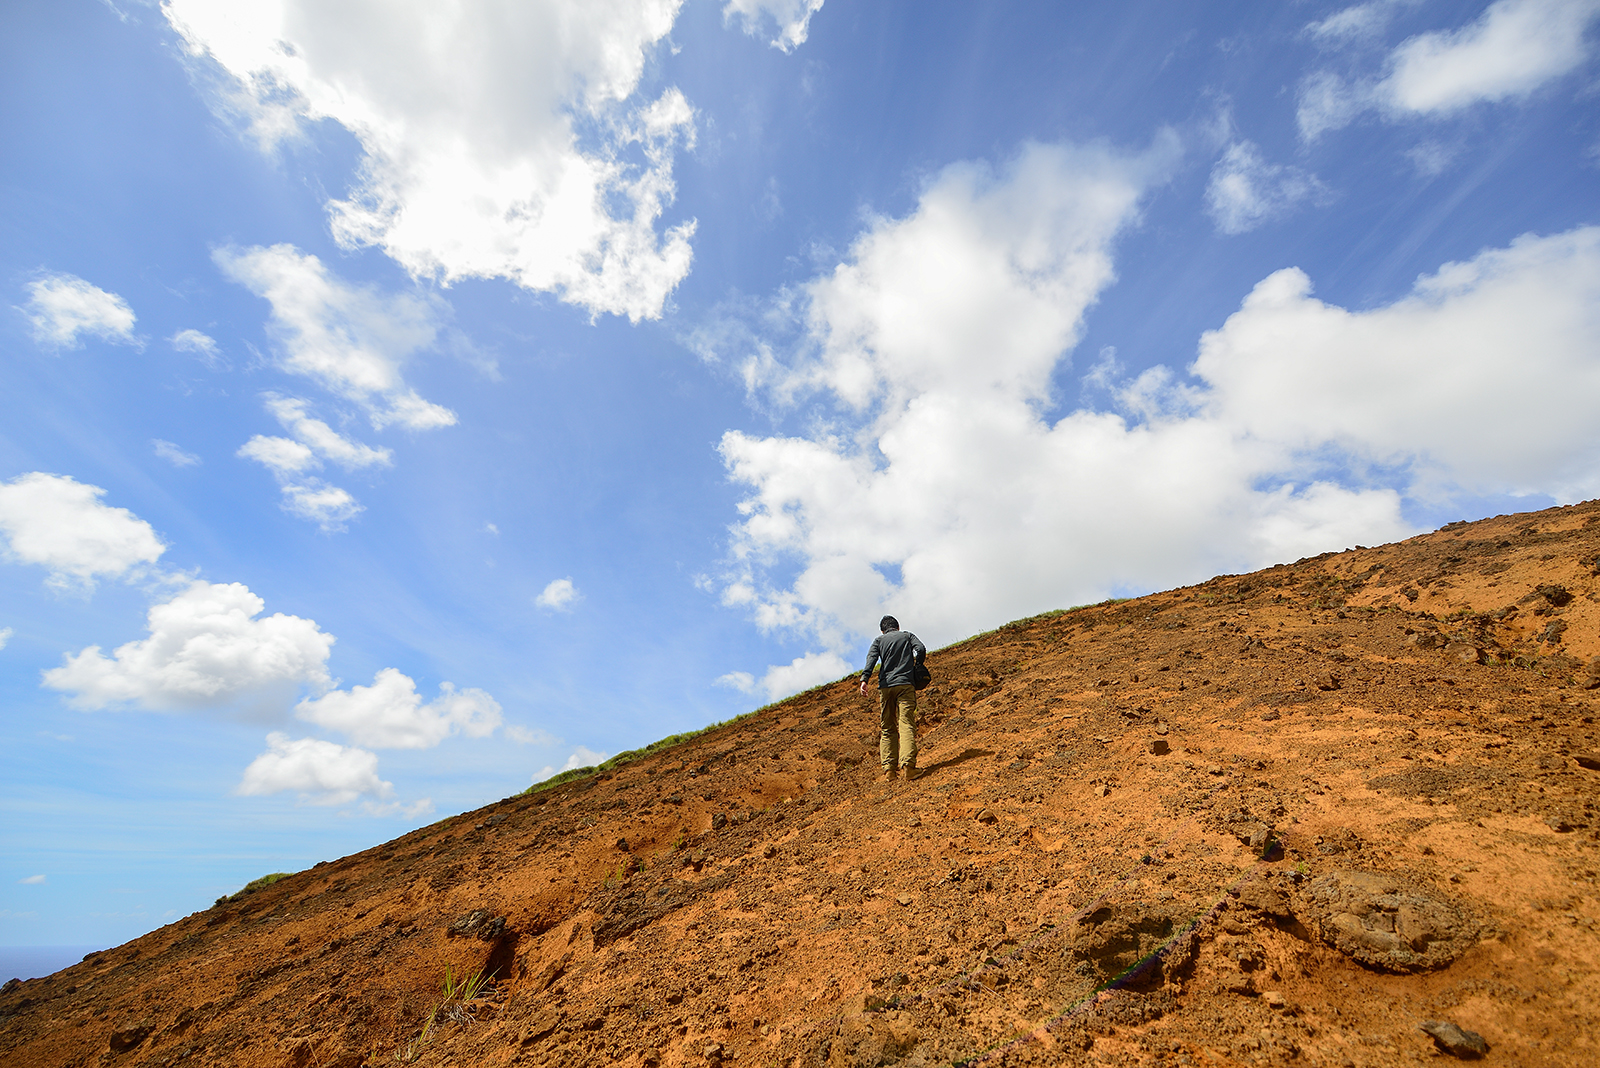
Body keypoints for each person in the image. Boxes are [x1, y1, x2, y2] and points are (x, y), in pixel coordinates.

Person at [859, 615, 927, 782]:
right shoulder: (907, 636)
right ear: (897, 626)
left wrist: (864, 680)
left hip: (885, 687)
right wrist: (918, 665)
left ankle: (889, 771)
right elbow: (921, 648)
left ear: (883, 630)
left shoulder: (878, 640)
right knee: (906, 724)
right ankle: (908, 768)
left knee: (888, 728)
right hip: (905, 684)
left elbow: (871, 659)